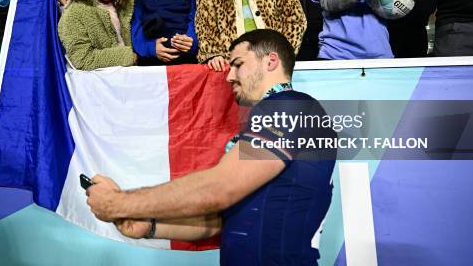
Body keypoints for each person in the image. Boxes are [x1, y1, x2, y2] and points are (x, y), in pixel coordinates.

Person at [86, 29, 337, 266]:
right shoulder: (277, 117)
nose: (229, 75)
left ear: (270, 62)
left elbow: (219, 188)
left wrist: (119, 203)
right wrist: (150, 226)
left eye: (238, 64)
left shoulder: (293, 107)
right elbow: (220, 221)